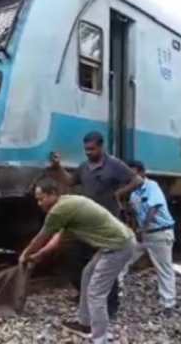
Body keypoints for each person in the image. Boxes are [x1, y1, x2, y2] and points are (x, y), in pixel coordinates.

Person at [20, 178, 137, 344]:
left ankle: (100, 339)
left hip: (119, 246)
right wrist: (39, 255)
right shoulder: (67, 203)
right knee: (87, 274)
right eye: (37, 199)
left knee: (96, 293)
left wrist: (24, 255)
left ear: (53, 194)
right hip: (113, 244)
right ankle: (85, 323)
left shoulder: (59, 210)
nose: (39, 203)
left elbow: (41, 238)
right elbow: (57, 238)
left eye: (41, 198)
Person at [47, 131, 143, 315]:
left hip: (107, 223)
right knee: (73, 256)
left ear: (101, 147)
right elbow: (69, 181)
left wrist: (118, 194)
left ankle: (111, 306)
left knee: (106, 264)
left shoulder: (114, 165)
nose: (88, 152)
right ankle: (83, 293)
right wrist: (57, 167)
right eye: (86, 149)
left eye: (91, 149)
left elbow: (137, 180)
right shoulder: (84, 167)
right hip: (86, 222)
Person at [121, 160, 177, 316]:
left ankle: (168, 304)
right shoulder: (133, 194)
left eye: (134, 174)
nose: (131, 178)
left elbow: (154, 207)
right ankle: (116, 295)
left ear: (142, 173)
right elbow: (134, 214)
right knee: (122, 259)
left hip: (159, 232)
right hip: (143, 235)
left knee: (163, 268)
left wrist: (142, 228)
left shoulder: (152, 186)